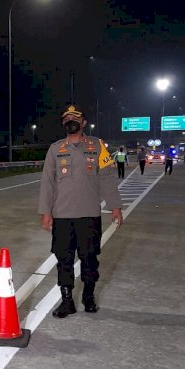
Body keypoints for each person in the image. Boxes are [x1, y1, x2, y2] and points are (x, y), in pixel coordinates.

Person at [38, 105, 123, 318]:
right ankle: (67, 301)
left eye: (75, 118)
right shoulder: (55, 149)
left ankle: (88, 295)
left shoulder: (97, 146)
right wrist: (45, 212)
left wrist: (115, 207)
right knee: (64, 259)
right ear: (63, 123)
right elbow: (47, 183)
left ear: (83, 122)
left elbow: (107, 178)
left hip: (89, 215)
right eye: (66, 118)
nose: (70, 121)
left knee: (90, 257)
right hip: (62, 216)